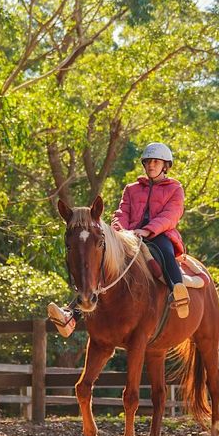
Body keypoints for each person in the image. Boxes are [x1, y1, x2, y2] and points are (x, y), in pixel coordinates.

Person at [48, 142, 189, 336]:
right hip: (129, 236)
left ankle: (177, 291)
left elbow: (171, 214)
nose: (151, 165)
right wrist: (119, 231)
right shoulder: (132, 189)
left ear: (165, 165)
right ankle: (71, 315)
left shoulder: (175, 188)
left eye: (156, 162)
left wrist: (147, 231)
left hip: (159, 235)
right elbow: (122, 212)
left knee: (165, 252)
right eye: (147, 162)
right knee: (102, 266)